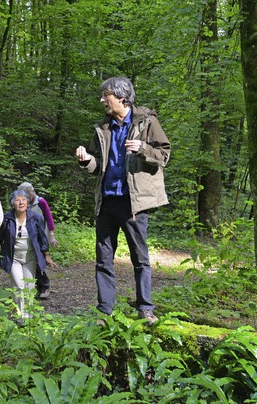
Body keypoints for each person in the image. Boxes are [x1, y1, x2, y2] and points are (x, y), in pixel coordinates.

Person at [76, 76, 171, 326]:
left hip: (134, 203)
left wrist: (143, 149)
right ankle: (104, 311)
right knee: (103, 258)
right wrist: (87, 161)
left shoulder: (147, 121)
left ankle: (145, 310)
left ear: (121, 97)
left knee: (140, 258)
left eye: (105, 96)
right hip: (107, 201)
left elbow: (164, 154)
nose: (102, 100)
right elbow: (99, 166)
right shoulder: (103, 128)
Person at [0, 190, 56, 318]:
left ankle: (28, 316)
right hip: (13, 258)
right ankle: (21, 315)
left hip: (30, 258)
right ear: (13, 204)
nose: (21, 202)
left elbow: (42, 238)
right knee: (18, 285)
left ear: (28, 202)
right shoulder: (7, 219)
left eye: (23, 199)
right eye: (17, 200)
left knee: (29, 287)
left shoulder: (35, 218)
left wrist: (46, 255)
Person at [17, 182, 58, 299]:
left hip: (41, 237)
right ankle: (38, 286)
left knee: (39, 261)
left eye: (25, 195)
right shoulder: (23, 203)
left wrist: (51, 235)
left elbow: (49, 218)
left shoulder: (41, 202)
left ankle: (45, 286)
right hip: (27, 237)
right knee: (30, 261)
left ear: (31, 193)